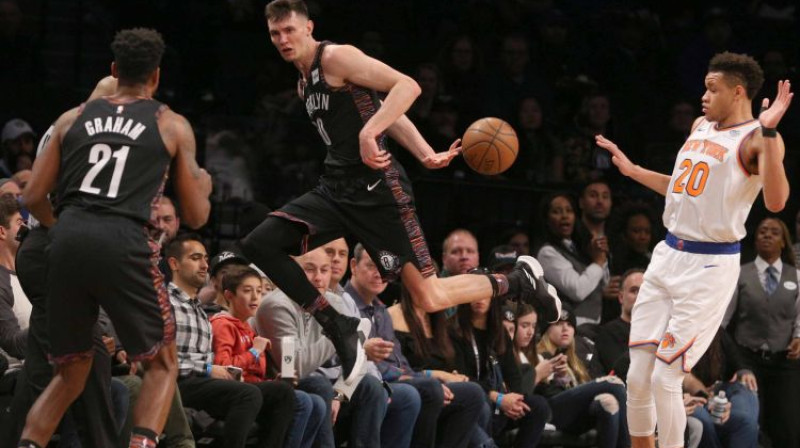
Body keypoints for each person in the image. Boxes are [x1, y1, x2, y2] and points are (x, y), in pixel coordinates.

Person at [239, 0, 561, 385]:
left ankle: (517, 279)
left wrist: (369, 132)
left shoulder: (336, 57)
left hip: (379, 193)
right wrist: (424, 151)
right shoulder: (303, 80)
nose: (282, 39)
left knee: (429, 297)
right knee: (260, 243)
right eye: (275, 34)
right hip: (335, 190)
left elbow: (407, 86)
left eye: (289, 30)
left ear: (308, 27)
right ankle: (337, 324)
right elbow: (380, 103)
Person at [18, 28, 213, 448]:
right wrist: (204, 184)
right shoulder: (170, 124)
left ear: (113, 70)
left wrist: (66, 227)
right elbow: (196, 215)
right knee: (162, 364)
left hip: (67, 238)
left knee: (70, 371)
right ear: (156, 77)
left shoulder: (72, 118)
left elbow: (32, 196)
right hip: (124, 239)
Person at [596, 52, 793, 448]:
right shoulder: (700, 125)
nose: (703, 96)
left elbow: (776, 201)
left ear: (738, 92)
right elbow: (685, 187)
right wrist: (634, 172)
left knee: (666, 376)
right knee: (637, 375)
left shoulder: (758, 137)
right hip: (668, 254)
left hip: (710, 264)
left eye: (712, 89)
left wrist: (771, 134)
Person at [211, 265, 324, 448]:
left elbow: (255, 374)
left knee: (317, 403)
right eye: (248, 291)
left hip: (255, 391)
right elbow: (225, 370)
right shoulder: (222, 324)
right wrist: (254, 351)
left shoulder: (248, 326)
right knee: (300, 400)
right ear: (229, 295)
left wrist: (276, 379)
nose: (256, 297)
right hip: (237, 395)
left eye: (259, 290)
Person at [723, 216, 800, 447]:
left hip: (784, 362)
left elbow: (799, 316)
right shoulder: (739, 273)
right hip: (748, 361)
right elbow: (724, 322)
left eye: (774, 232)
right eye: (762, 231)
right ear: (754, 239)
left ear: (784, 242)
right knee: (752, 424)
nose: (767, 235)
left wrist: (798, 337)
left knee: (788, 427)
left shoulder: (795, 275)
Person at [536, 309, 630, 448]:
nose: (565, 328)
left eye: (569, 324)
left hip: (574, 416)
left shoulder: (576, 362)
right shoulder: (538, 355)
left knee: (608, 402)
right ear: (546, 329)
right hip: (550, 411)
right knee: (612, 383)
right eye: (559, 324)